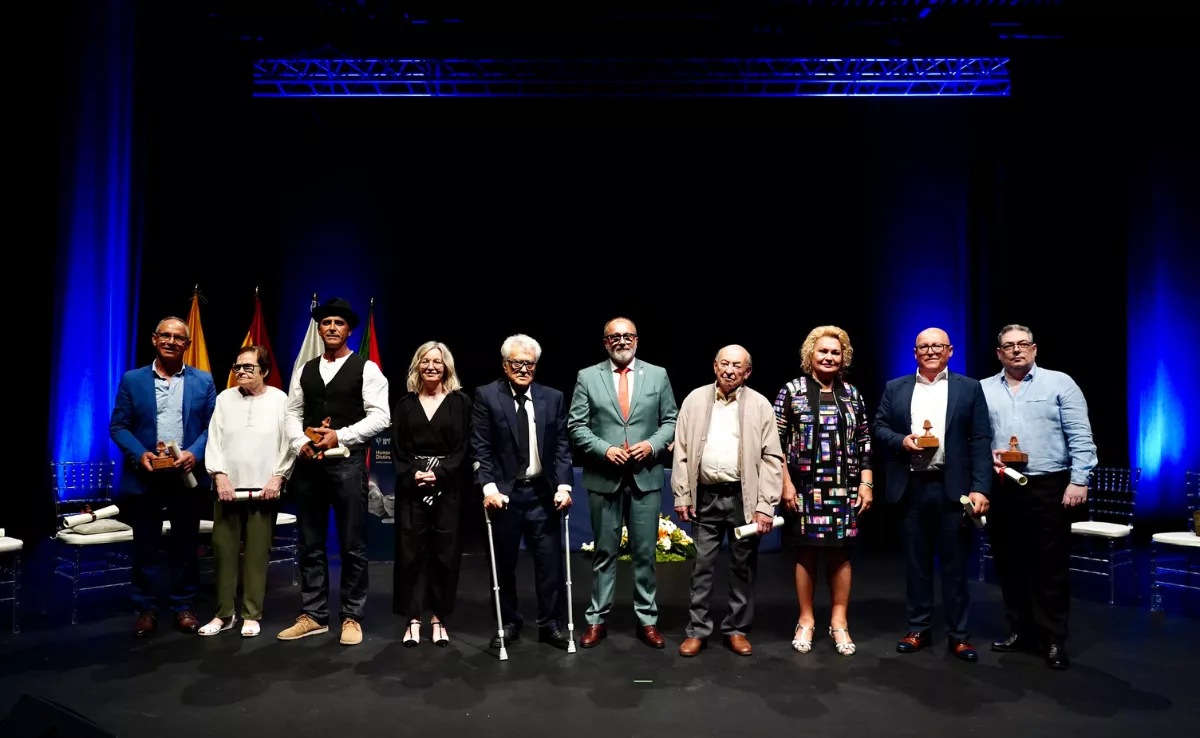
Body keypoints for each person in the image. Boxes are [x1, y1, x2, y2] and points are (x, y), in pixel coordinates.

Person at [873, 327, 992, 661]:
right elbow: (879, 428)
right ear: (914, 353)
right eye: (923, 346)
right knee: (916, 565)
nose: (930, 351)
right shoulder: (895, 388)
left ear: (950, 351)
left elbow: (981, 440)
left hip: (953, 491)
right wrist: (902, 441)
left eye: (937, 345)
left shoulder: (969, 388)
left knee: (955, 566)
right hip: (910, 487)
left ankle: (959, 635)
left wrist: (981, 486)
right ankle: (917, 629)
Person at [982, 324, 1097, 670]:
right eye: (1008, 346)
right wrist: (987, 456)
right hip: (1002, 485)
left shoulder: (1060, 383)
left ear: (1034, 349)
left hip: (1049, 484)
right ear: (999, 353)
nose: (1016, 350)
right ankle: (1020, 630)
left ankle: (1052, 638)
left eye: (1022, 344)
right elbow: (976, 435)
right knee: (1009, 561)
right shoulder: (984, 388)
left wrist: (1079, 480)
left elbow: (1080, 434)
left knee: (1049, 565)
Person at [277, 298, 390, 646]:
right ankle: (313, 615)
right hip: (310, 466)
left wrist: (339, 435)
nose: (331, 328)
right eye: (326, 322)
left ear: (349, 330)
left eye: (338, 323)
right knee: (310, 542)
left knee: (352, 544)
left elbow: (381, 416)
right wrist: (300, 443)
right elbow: (292, 413)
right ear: (319, 328)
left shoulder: (365, 369)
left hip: (347, 463)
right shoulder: (305, 369)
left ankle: (352, 616)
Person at [567, 317, 677, 649]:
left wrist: (653, 445)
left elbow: (671, 419)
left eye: (627, 335)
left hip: (646, 477)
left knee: (645, 553)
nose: (621, 341)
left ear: (637, 339)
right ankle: (596, 620)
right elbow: (576, 425)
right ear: (605, 343)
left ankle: (647, 620)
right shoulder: (588, 376)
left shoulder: (657, 374)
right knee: (604, 553)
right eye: (614, 336)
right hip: (605, 477)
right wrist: (605, 449)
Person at [673, 345, 783, 657]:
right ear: (714, 366)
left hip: (742, 498)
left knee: (743, 568)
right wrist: (682, 494)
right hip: (705, 496)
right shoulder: (695, 399)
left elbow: (772, 458)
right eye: (724, 364)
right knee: (701, 566)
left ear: (747, 372)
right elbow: (680, 451)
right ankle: (697, 630)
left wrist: (765, 504)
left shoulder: (760, 405)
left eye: (737, 366)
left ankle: (736, 629)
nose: (729, 370)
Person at [109, 316, 216, 636]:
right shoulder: (132, 379)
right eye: (164, 336)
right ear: (154, 340)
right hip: (146, 478)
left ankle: (184, 605)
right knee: (146, 547)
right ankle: (147, 608)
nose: (171, 341)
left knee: (186, 546)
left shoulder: (203, 381)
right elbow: (119, 426)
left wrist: (194, 453)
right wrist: (140, 453)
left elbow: (215, 427)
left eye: (178, 338)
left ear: (188, 344)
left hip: (186, 478)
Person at [774, 326, 873, 656]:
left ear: (843, 357)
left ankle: (839, 622)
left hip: (843, 488)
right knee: (805, 552)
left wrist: (866, 482)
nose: (829, 357)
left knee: (840, 553)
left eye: (835, 352)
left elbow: (864, 442)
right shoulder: (792, 391)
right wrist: (785, 483)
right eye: (823, 351)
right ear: (810, 355)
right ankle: (806, 619)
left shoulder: (853, 394)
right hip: (804, 488)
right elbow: (774, 443)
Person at [471, 334, 573, 650]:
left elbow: (561, 447)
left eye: (529, 363)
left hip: (543, 494)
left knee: (550, 565)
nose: (524, 368)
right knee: (503, 565)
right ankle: (509, 623)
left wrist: (564, 486)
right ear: (505, 365)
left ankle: (550, 624)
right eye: (517, 362)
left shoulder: (552, 398)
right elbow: (481, 447)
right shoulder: (487, 396)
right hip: (504, 496)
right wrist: (488, 489)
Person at [200, 345, 295, 638]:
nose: (240, 371)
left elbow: (288, 442)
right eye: (237, 367)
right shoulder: (225, 399)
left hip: (264, 490)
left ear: (264, 370)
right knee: (223, 551)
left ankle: (252, 614)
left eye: (248, 367)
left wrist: (278, 477)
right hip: (228, 489)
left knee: (256, 554)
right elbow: (214, 439)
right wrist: (219, 475)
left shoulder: (280, 400)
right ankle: (223, 614)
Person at [391, 341, 473, 647]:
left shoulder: (461, 402)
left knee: (444, 555)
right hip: (412, 489)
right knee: (410, 555)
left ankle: (439, 618)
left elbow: (465, 446)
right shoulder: (405, 405)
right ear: (417, 366)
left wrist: (439, 473)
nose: (431, 366)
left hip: (448, 488)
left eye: (437, 361)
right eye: (425, 361)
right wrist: (415, 474)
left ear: (446, 367)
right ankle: (413, 620)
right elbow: (397, 450)